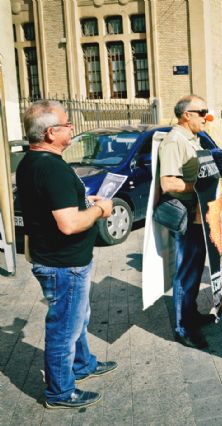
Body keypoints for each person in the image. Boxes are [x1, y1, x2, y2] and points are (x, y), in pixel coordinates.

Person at [16, 100, 117, 409]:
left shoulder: (32, 162)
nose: (72, 127)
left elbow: (54, 207)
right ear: (50, 133)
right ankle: (59, 392)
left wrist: (86, 200)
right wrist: (100, 209)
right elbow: (69, 224)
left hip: (57, 260)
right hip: (64, 264)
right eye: (67, 123)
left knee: (77, 317)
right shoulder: (52, 169)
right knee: (64, 328)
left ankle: (83, 364)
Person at [158, 95, 213, 349]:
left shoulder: (193, 138)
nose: (205, 115)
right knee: (185, 273)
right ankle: (182, 327)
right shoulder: (174, 141)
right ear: (185, 115)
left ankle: (191, 314)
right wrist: (198, 186)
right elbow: (168, 183)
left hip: (200, 216)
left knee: (194, 270)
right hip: (187, 217)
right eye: (201, 111)